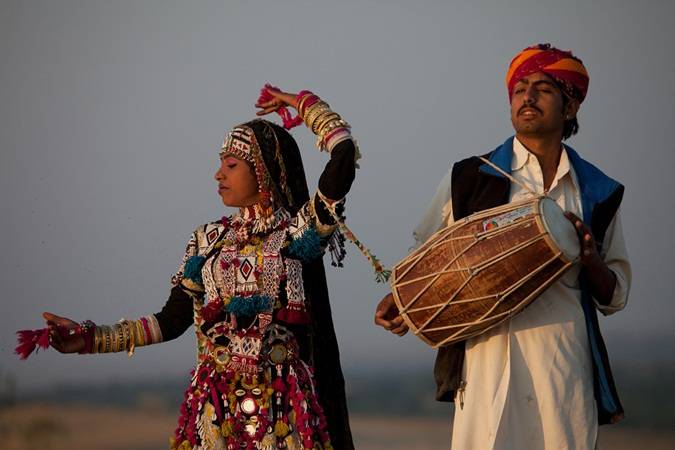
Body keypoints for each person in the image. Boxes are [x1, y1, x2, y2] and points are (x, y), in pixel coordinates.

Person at [18, 87, 358, 450]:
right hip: (217, 413)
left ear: (263, 171)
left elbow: (341, 161)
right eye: (220, 164)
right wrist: (88, 338)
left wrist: (302, 103)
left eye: (231, 165)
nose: (217, 175)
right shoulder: (206, 241)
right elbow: (170, 321)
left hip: (283, 416)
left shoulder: (296, 233)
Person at [375, 43, 631, 449]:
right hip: (485, 359)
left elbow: (614, 295)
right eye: (519, 88)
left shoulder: (597, 190)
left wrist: (591, 259)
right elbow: (427, 249)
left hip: (562, 361)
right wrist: (403, 298)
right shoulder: (470, 176)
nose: (527, 98)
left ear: (570, 108)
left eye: (543, 88)